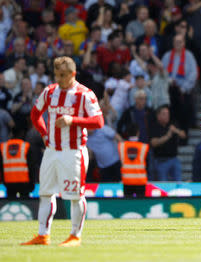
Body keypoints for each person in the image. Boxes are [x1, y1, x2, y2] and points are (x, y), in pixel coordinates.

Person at [22, 56, 104, 246]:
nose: (59, 79)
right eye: (57, 75)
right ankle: (43, 235)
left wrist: (72, 120)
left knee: (76, 196)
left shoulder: (85, 94)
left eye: (63, 75)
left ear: (73, 74)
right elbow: (35, 114)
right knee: (45, 193)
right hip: (51, 151)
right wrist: (43, 133)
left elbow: (98, 121)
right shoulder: (49, 92)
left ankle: (75, 235)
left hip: (73, 151)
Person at [149, 105, 186, 182]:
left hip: (174, 158)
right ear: (158, 116)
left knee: (178, 181)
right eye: (164, 114)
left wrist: (176, 130)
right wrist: (167, 136)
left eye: (167, 114)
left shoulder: (173, 124)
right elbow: (153, 143)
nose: (167, 116)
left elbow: (183, 135)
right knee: (163, 182)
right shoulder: (154, 126)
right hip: (161, 160)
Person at [118, 124, 149, 197]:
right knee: (141, 205)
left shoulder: (121, 146)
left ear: (127, 133)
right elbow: (147, 164)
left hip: (127, 181)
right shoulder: (144, 147)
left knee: (128, 206)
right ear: (138, 133)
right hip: (140, 181)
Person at [0, 135, 33, 199]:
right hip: (24, 182)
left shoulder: (3, 146)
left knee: (11, 205)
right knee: (26, 204)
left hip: (9, 182)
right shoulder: (26, 146)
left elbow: (1, 166)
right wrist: (32, 182)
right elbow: (31, 166)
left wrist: (3, 180)